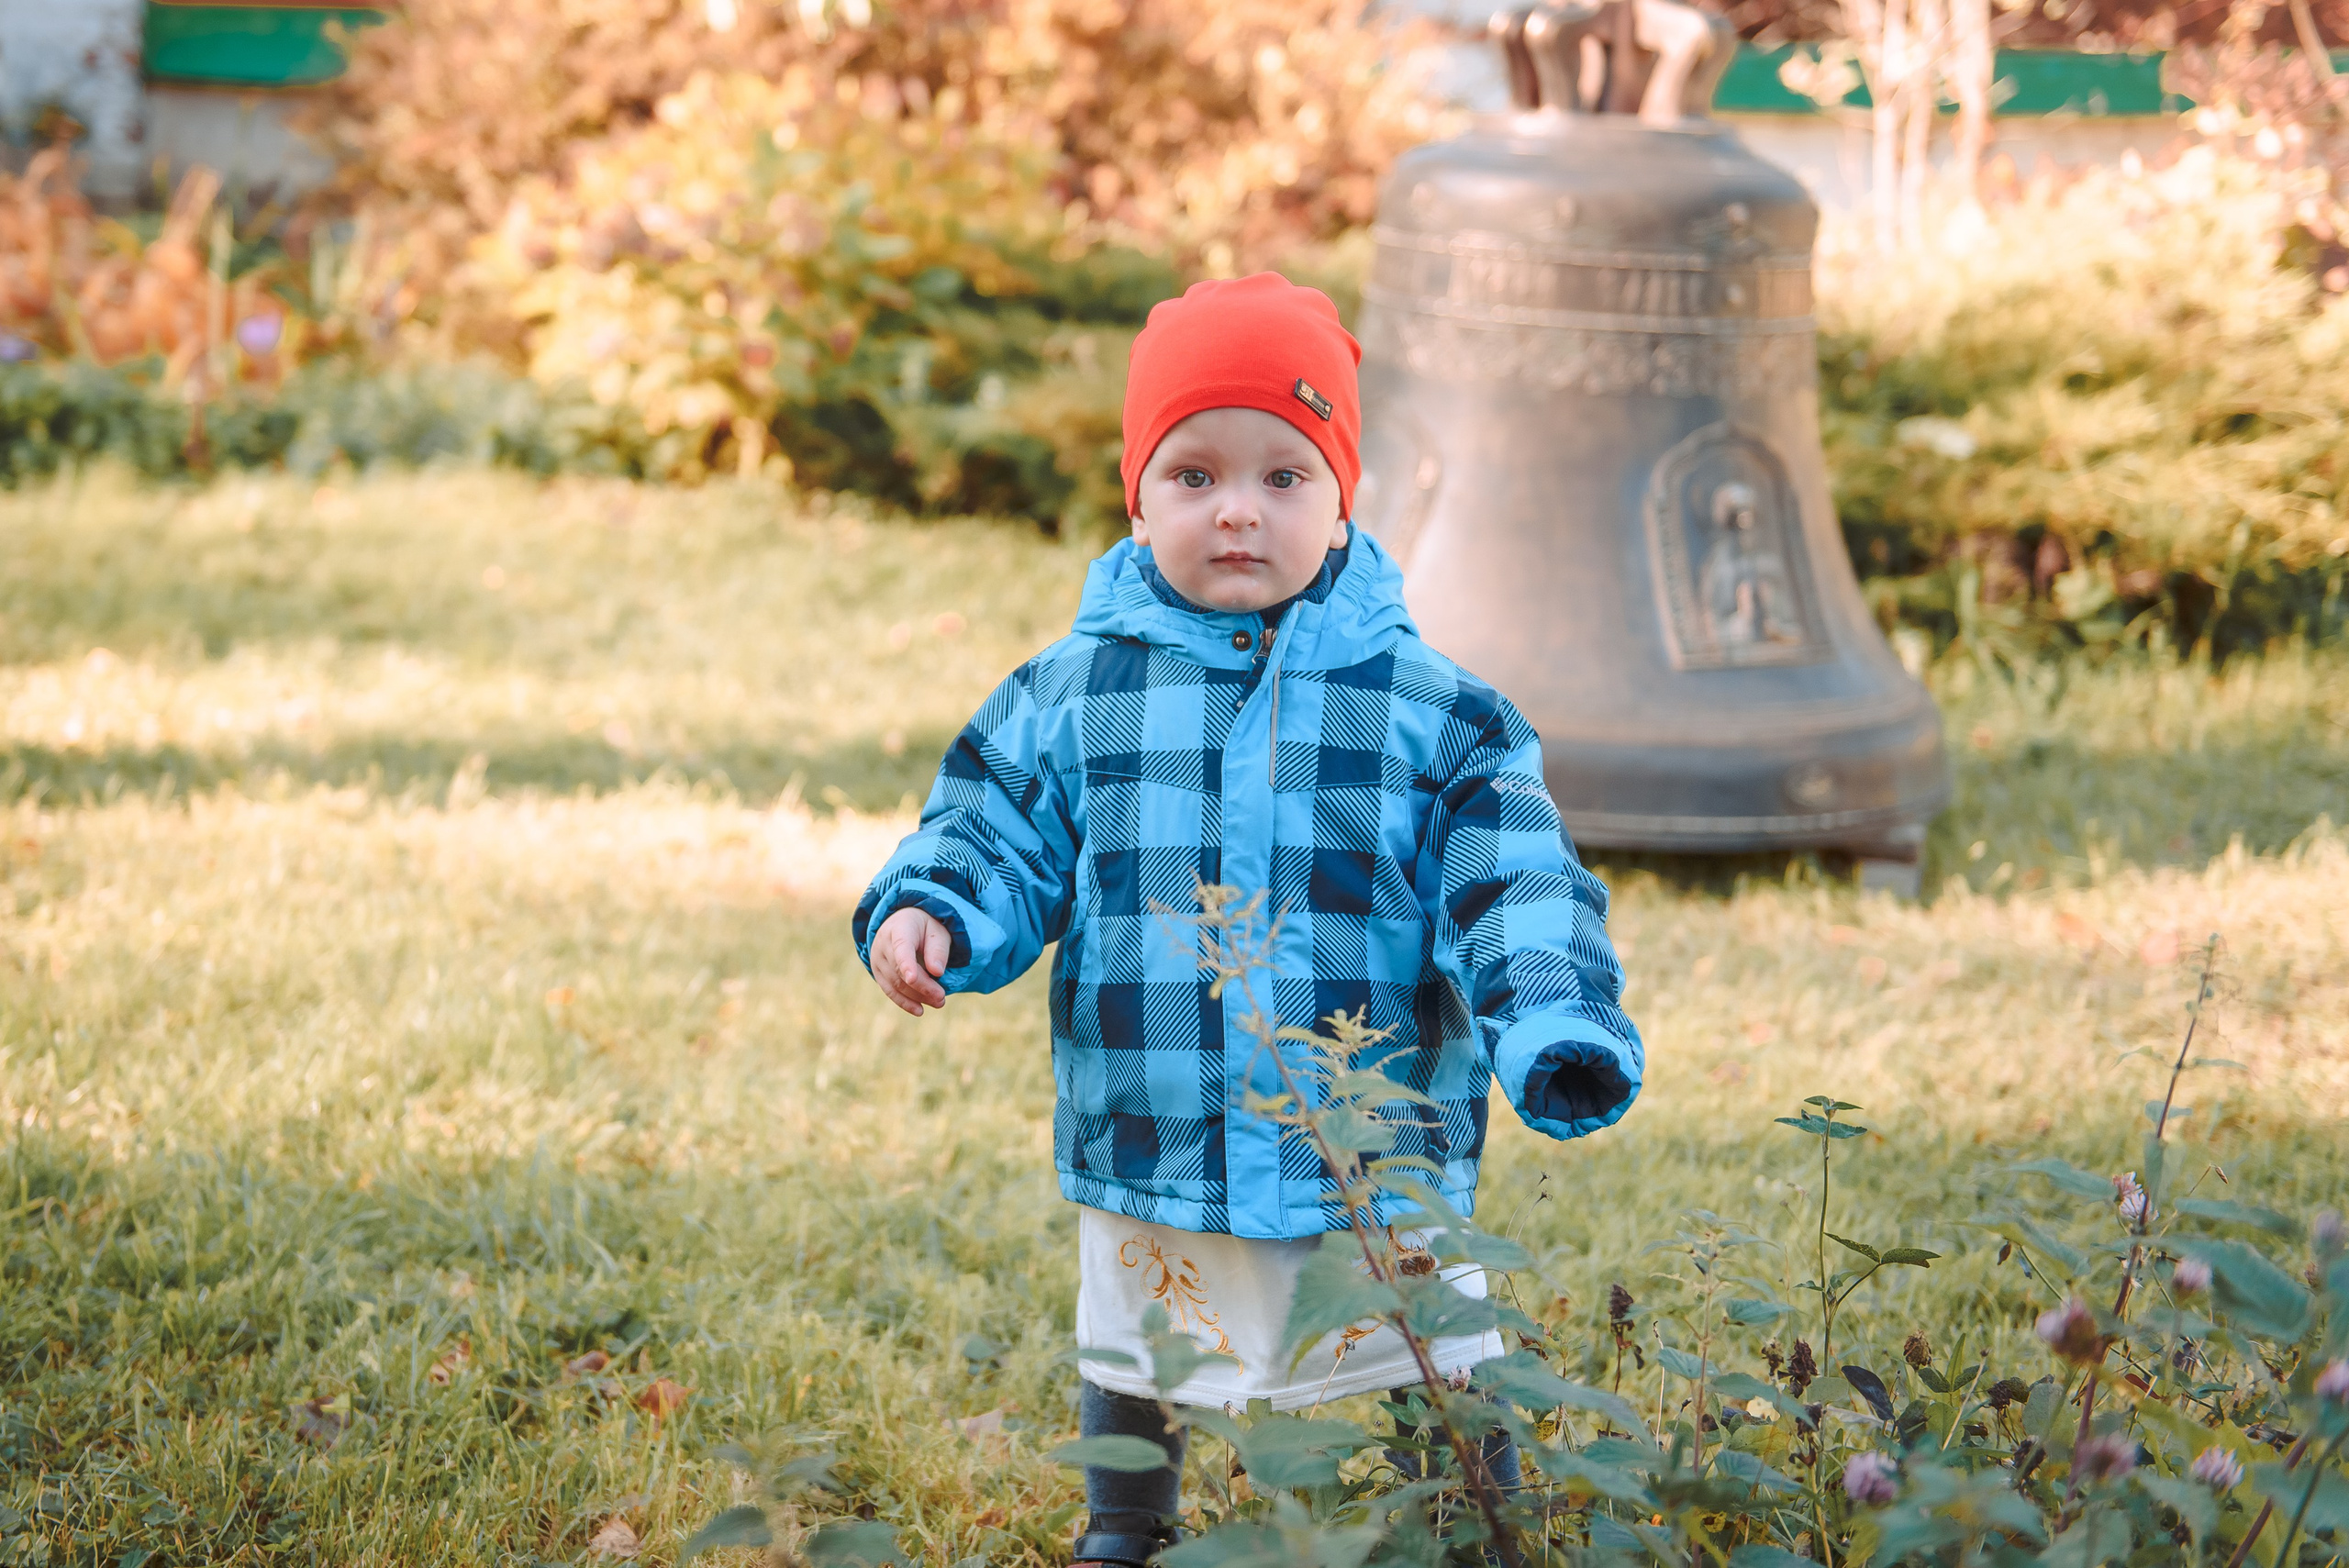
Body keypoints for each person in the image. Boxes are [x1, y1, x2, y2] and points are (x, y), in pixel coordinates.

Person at [852, 273, 1643, 1566]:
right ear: (1138, 493)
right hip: (1154, 1104)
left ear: (1343, 499)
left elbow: (1517, 880)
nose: (1238, 508)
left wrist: (1551, 1013)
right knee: (1136, 1317)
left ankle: (1473, 1507)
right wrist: (938, 903)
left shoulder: (1429, 707)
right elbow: (989, 821)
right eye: (1195, 474)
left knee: (1423, 1325)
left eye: (1286, 476)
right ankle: (1126, 1520)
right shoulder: (1073, 690)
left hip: (1365, 1131)